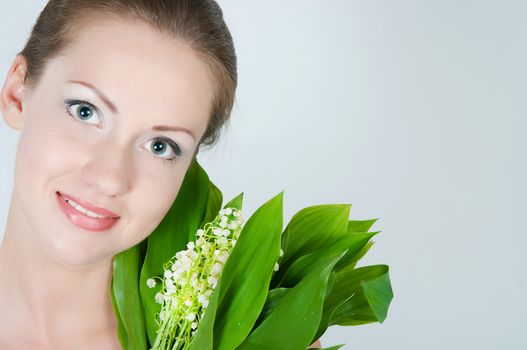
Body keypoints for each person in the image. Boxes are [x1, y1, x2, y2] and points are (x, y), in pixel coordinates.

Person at [0, 0, 320, 349]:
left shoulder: (248, 340)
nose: (110, 178)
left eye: (159, 146)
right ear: (17, 94)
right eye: (85, 111)